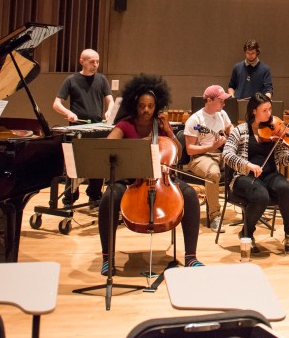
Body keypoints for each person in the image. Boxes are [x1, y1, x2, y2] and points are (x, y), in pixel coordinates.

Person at [97, 74, 204, 274]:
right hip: (131, 179)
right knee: (109, 197)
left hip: (162, 177)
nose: (146, 110)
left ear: (157, 106)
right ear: (134, 105)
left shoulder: (161, 126)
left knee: (190, 195)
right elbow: (108, 146)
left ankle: (191, 257)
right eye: (142, 106)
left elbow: (179, 154)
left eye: (151, 106)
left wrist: (170, 133)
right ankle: (107, 258)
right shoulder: (125, 125)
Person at [221, 92, 289, 254]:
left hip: (270, 175)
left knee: (285, 188)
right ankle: (247, 233)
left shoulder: (274, 131)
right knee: (261, 195)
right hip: (244, 177)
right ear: (254, 111)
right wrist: (247, 165)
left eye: (270, 109)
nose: (269, 114)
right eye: (265, 110)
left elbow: (283, 160)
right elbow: (227, 154)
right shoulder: (240, 130)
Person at [52, 48, 113, 204]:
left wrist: (109, 112)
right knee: (74, 166)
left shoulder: (102, 79)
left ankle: (95, 195)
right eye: (92, 62)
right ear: (82, 61)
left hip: (97, 128)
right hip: (77, 130)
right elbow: (56, 104)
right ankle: (69, 197)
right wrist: (68, 113)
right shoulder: (71, 80)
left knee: (98, 164)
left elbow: (110, 101)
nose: (95, 65)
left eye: (97, 62)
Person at [184, 84, 234, 232]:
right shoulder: (195, 120)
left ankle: (248, 209)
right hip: (200, 157)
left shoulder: (222, 114)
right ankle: (215, 216)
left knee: (244, 164)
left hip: (221, 154)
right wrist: (211, 147)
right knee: (213, 173)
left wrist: (230, 134)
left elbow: (229, 128)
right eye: (221, 100)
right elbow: (190, 149)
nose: (224, 103)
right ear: (209, 100)